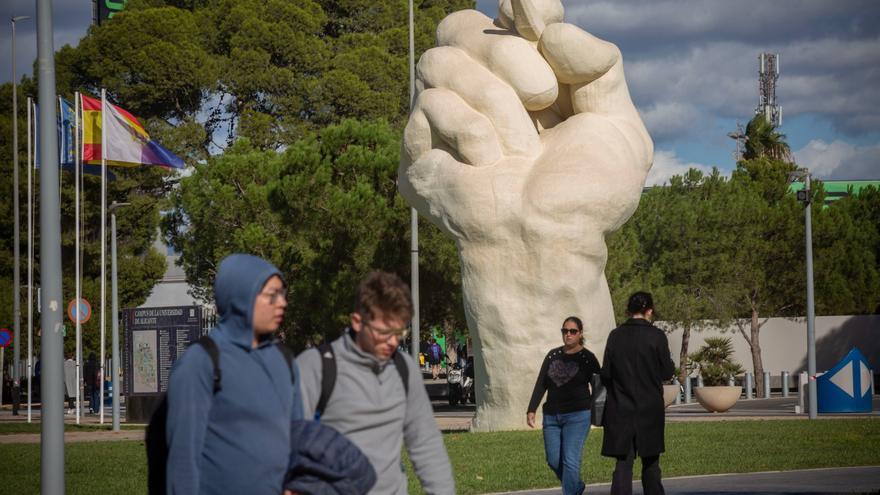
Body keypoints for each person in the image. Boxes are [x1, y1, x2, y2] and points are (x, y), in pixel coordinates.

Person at [297, 271, 454, 495]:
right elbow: (287, 446)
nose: (393, 341)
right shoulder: (316, 367)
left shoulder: (404, 368)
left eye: (399, 332)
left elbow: (426, 443)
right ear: (357, 322)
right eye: (384, 332)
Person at [165, 254, 303, 494]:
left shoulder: (285, 360)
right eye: (272, 295)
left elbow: (300, 438)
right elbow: (183, 460)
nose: (282, 303)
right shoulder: (201, 362)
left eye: (283, 294)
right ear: (242, 297)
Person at [600, 292, 675, 495]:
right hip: (649, 409)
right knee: (651, 463)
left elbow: (605, 373)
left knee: (623, 464)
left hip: (621, 408)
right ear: (649, 311)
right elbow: (667, 372)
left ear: (628, 310)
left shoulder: (615, 336)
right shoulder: (657, 336)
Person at [527, 316, 601, 495]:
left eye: (573, 331)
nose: (568, 335)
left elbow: (599, 387)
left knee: (570, 460)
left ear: (580, 333)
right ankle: (575, 487)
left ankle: (570, 491)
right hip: (552, 416)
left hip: (578, 416)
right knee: (553, 460)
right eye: (565, 331)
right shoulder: (553, 355)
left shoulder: (587, 358)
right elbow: (541, 383)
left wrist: (596, 411)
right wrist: (531, 409)